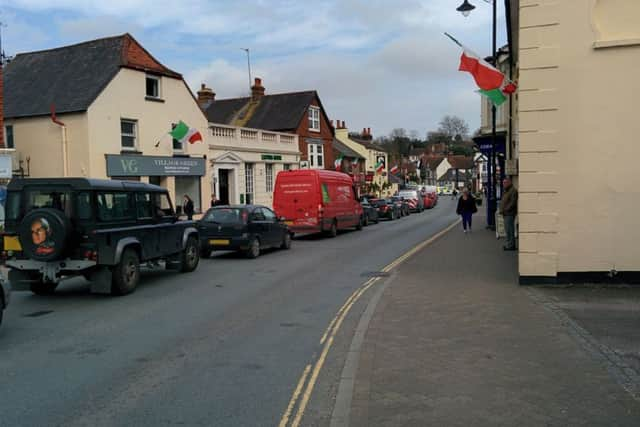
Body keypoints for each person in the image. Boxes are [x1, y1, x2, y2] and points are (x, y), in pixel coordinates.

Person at [500, 177, 518, 251]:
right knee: (507, 230)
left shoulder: (513, 191)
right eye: (503, 183)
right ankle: (509, 244)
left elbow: (512, 203)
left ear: (509, 182)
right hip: (506, 213)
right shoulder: (506, 191)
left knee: (510, 230)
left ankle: (511, 245)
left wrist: (505, 209)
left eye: (505, 183)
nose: (503, 184)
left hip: (509, 213)